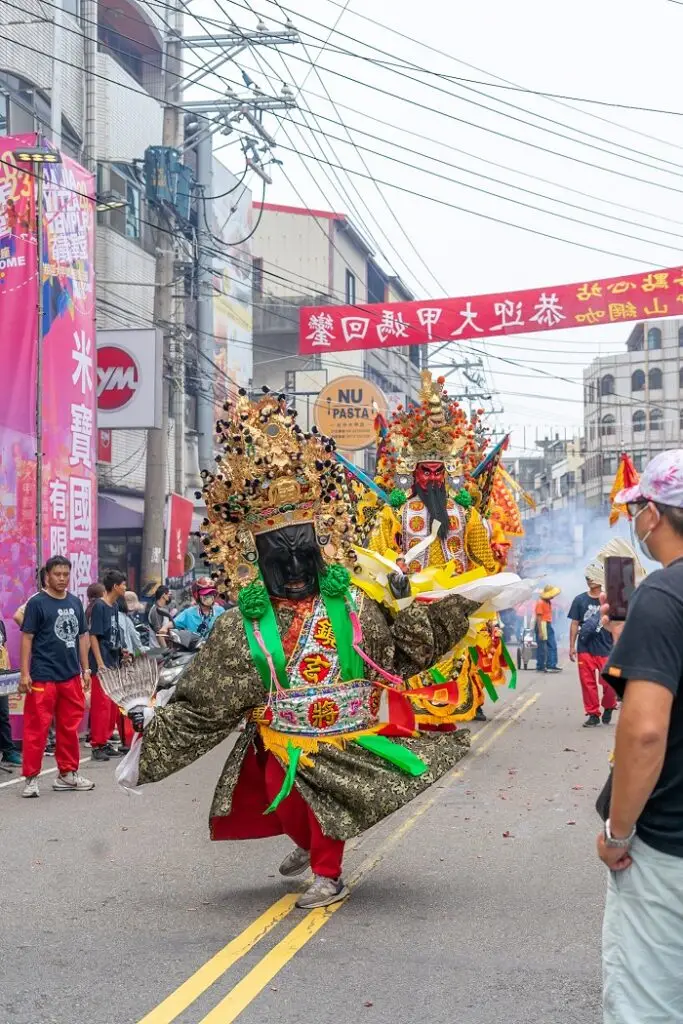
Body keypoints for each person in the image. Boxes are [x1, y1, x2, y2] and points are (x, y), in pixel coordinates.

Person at [125, 388, 476, 910]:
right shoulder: (239, 626)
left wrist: (406, 606)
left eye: (302, 555)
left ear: (322, 547)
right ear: (249, 558)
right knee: (281, 797)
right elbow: (204, 704)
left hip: (341, 735)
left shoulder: (354, 603)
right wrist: (149, 732)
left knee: (320, 799)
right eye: (277, 558)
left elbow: (404, 654)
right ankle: (309, 843)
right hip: (280, 736)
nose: (292, 570)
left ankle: (328, 873)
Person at [595, 449, 683, 1023]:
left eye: (638, 510)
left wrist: (618, 832)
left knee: (649, 1005)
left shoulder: (663, 595)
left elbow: (647, 732)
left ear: (652, 514)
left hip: (671, 844)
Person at [19, 555, 94, 797]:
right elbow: (27, 638)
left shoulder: (75, 602)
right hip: (43, 677)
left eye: (65, 574)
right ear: (47, 576)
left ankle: (67, 774)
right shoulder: (37, 603)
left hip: (70, 676)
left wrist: (86, 670)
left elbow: (82, 637)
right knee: (36, 729)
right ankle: (31, 779)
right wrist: (24, 673)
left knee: (69, 728)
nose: (62, 579)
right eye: (57, 574)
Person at [568, 564, 617, 727]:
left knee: (609, 683)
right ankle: (593, 713)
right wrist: (572, 646)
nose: (589, 579)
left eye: (592, 576)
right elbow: (575, 623)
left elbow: (620, 624)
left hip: (606, 647)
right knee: (587, 682)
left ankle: (609, 706)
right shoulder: (579, 600)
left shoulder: (612, 600)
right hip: (585, 647)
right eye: (587, 577)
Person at [89, 570, 127, 762]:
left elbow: (114, 635)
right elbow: (94, 635)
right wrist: (100, 663)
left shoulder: (114, 607)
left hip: (113, 661)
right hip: (101, 663)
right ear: (115, 586)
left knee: (111, 705)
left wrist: (122, 653)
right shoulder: (99, 607)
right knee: (101, 706)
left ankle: (106, 741)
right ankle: (97, 745)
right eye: (123, 585)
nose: (125, 588)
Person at [0, 614, 21, 766]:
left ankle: (8, 752)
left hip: (1, 676)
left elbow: (4, 648)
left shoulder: (0, 623)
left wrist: (8, 672)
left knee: (3, 714)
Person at [535, 584, 561, 673]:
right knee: (545, 646)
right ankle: (545, 665)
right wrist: (540, 631)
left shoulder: (547, 602)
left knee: (550, 645)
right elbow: (539, 617)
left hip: (547, 624)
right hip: (542, 624)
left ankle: (547, 665)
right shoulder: (540, 603)